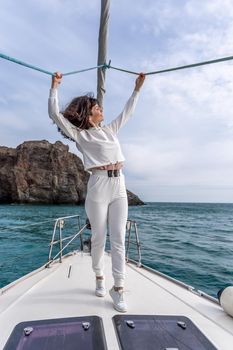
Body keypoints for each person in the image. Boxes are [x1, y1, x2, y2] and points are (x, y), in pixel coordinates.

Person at [48, 71, 145, 312]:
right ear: (87, 112)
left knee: (119, 238)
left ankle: (119, 288)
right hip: (98, 185)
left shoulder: (111, 129)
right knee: (99, 238)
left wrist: (137, 89)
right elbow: (54, 114)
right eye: (97, 106)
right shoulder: (80, 135)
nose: (101, 108)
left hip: (119, 184)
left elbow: (128, 112)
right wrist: (55, 87)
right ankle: (100, 277)